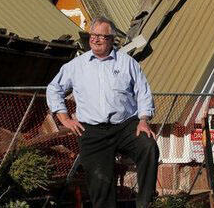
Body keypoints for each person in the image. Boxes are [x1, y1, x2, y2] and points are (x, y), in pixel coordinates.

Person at [46, 16, 159, 208]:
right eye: (93, 35)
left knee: (148, 146)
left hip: (125, 125)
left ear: (111, 39)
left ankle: (145, 202)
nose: (96, 39)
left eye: (101, 36)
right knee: (101, 184)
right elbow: (53, 89)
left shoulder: (127, 63)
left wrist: (143, 120)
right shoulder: (76, 66)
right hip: (92, 130)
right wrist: (64, 118)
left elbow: (143, 92)